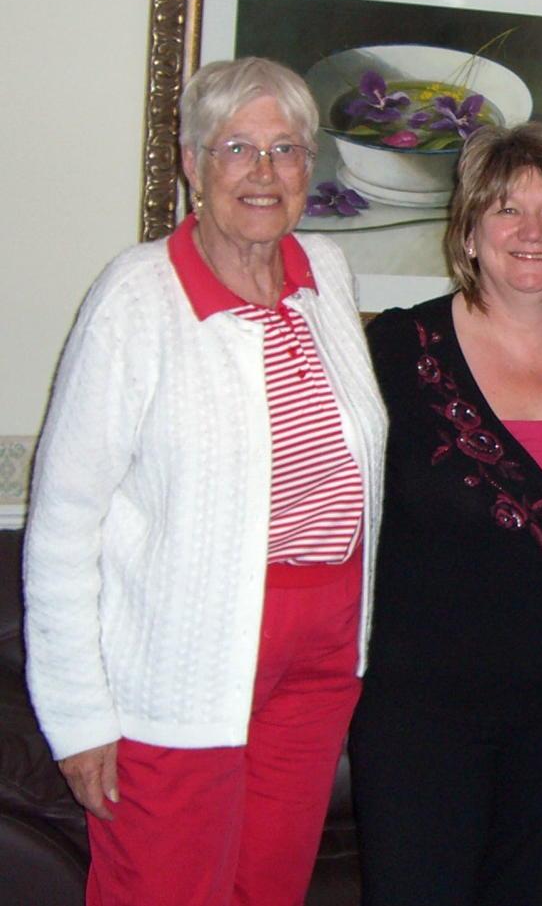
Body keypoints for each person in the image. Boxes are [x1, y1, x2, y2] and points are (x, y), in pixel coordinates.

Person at [23, 56, 387, 905]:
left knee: (270, 887)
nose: (264, 174)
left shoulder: (325, 274)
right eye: (237, 148)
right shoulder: (137, 296)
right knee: (163, 889)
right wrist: (79, 718)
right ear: (192, 163)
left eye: (287, 150)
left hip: (323, 654)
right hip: (186, 657)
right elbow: (64, 521)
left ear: (311, 167)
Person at [348, 122, 542, 905]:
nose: (530, 231)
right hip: (424, 715)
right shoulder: (399, 349)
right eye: (506, 208)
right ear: (469, 230)